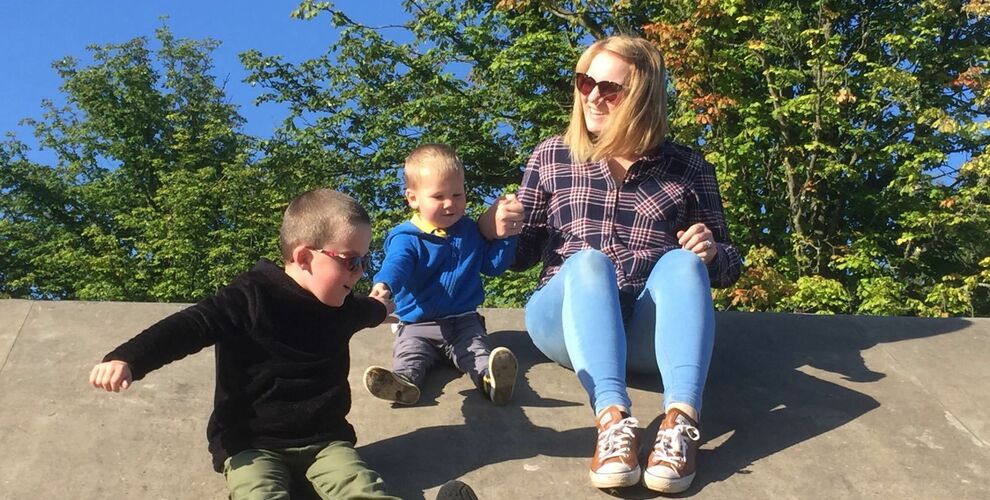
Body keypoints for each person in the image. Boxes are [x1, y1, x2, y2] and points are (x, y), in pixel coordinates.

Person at [480, 35, 742, 494]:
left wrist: (712, 252)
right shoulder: (553, 154)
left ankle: (680, 426)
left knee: (683, 263)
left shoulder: (689, 167)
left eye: (609, 88)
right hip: (566, 322)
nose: (592, 96)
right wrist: (492, 228)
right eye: (585, 82)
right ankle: (613, 421)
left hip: (646, 331)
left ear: (642, 97)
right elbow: (520, 256)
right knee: (588, 262)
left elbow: (727, 268)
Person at [89, 188, 408, 499]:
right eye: (351, 261)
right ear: (304, 257)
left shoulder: (343, 306)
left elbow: (367, 310)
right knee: (259, 493)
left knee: (362, 489)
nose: (360, 273)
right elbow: (190, 326)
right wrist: (128, 358)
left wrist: (381, 307)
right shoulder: (249, 298)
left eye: (365, 261)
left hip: (325, 441)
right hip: (253, 444)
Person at [363, 143, 520, 407]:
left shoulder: (469, 231)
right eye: (438, 196)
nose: (450, 204)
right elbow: (398, 264)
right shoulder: (407, 237)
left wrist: (508, 236)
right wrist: (385, 284)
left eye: (458, 194)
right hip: (417, 325)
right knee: (410, 353)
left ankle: (491, 380)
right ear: (413, 198)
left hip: (463, 322)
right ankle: (402, 383)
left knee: (476, 352)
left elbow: (492, 266)